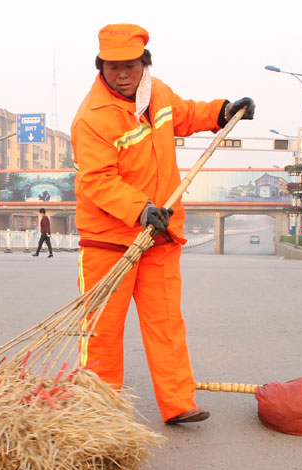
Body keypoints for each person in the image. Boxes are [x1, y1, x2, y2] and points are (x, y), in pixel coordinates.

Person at [71, 23, 255, 424]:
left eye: (130, 65)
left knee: (166, 323)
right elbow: (96, 180)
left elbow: (188, 114)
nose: (121, 74)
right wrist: (139, 208)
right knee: (102, 331)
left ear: (144, 64)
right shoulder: (92, 117)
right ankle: (98, 413)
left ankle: (178, 404)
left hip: (160, 236)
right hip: (110, 242)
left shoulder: (158, 94)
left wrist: (223, 111)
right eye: (112, 66)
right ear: (100, 66)